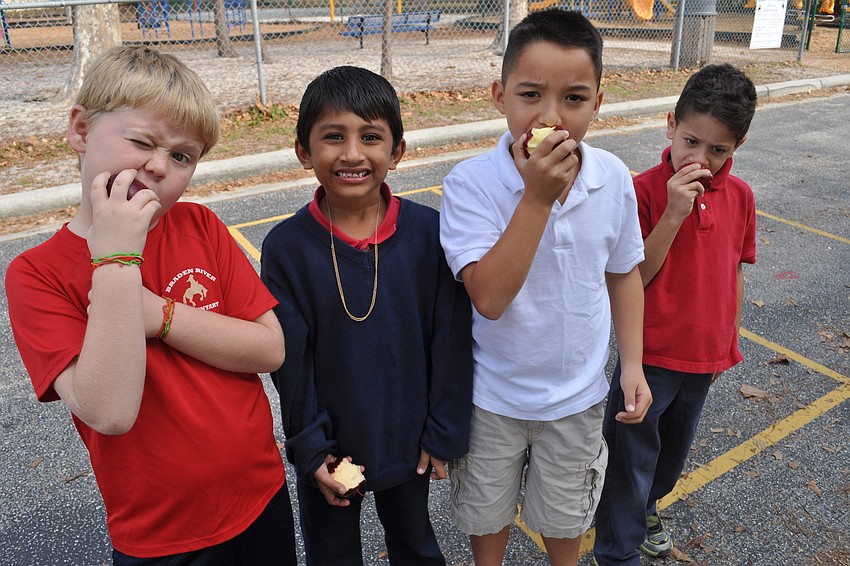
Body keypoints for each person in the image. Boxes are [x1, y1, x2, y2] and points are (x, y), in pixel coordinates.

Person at [5, 46, 297, 565]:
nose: (159, 166)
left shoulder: (200, 226)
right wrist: (118, 258)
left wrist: (160, 316)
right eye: (141, 141)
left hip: (259, 496)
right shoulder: (37, 274)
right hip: (160, 535)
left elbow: (269, 348)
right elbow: (110, 411)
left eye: (182, 156)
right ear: (79, 129)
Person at [438, 10, 652, 566]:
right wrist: (534, 198)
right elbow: (488, 296)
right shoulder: (471, 184)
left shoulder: (612, 179)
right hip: (492, 397)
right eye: (530, 94)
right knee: (485, 516)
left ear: (599, 102)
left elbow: (624, 272)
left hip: (577, 398)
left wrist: (632, 364)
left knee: (565, 517)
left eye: (574, 99)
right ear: (499, 95)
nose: (551, 116)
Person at [260, 65, 474, 566]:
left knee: (416, 545)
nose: (352, 153)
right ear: (304, 151)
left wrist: (444, 431)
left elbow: (451, 338)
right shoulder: (287, 248)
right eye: (333, 137)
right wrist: (311, 449)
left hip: (408, 437)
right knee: (332, 554)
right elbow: (289, 364)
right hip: (330, 446)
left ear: (396, 151)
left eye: (371, 136)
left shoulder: (428, 233)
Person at [592, 63, 758, 565]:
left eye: (718, 150)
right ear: (670, 124)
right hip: (651, 357)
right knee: (629, 458)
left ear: (737, 147)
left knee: (667, 460)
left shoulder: (741, 196)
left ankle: (645, 509)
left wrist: (728, 333)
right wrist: (672, 214)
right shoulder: (641, 191)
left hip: (704, 357)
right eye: (691, 141)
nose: (701, 160)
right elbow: (632, 278)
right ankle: (619, 550)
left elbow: (735, 268)